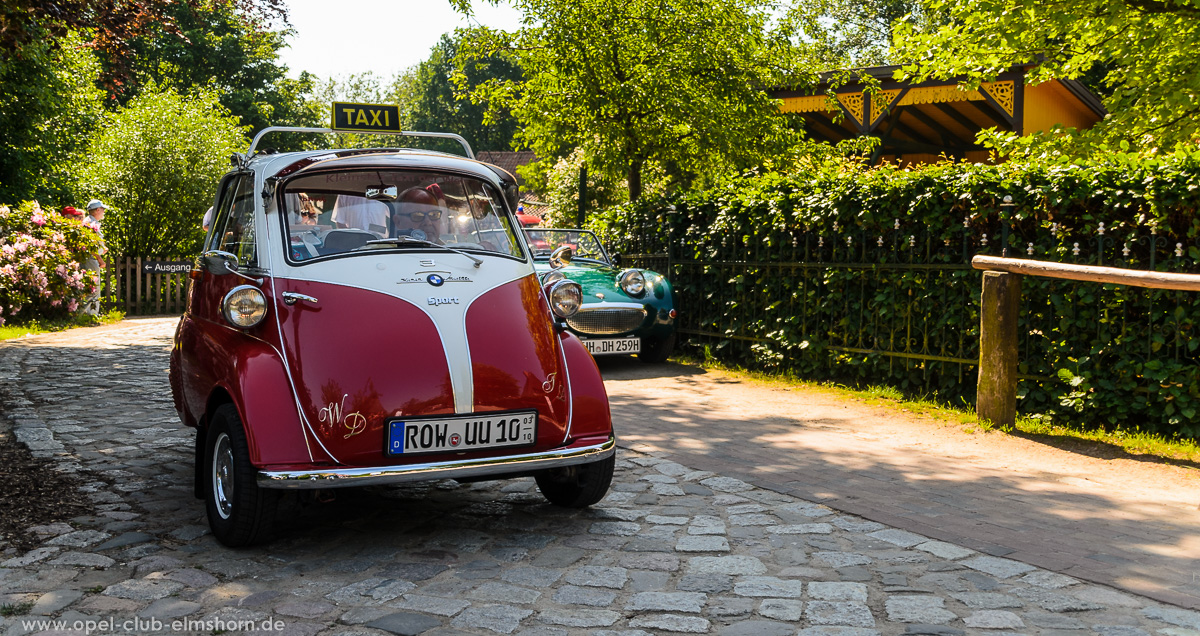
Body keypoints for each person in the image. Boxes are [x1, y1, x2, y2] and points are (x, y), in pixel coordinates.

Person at [82, 199, 107, 316]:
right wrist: (100, 259)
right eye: (102, 209)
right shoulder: (90, 223)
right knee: (93, 287)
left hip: (91, 258)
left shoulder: (90, 221)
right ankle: (90, 314)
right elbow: (90, 245)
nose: (103, 212)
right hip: (91, 259)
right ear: (97, 210)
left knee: (92, 286)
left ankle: (90, 314)